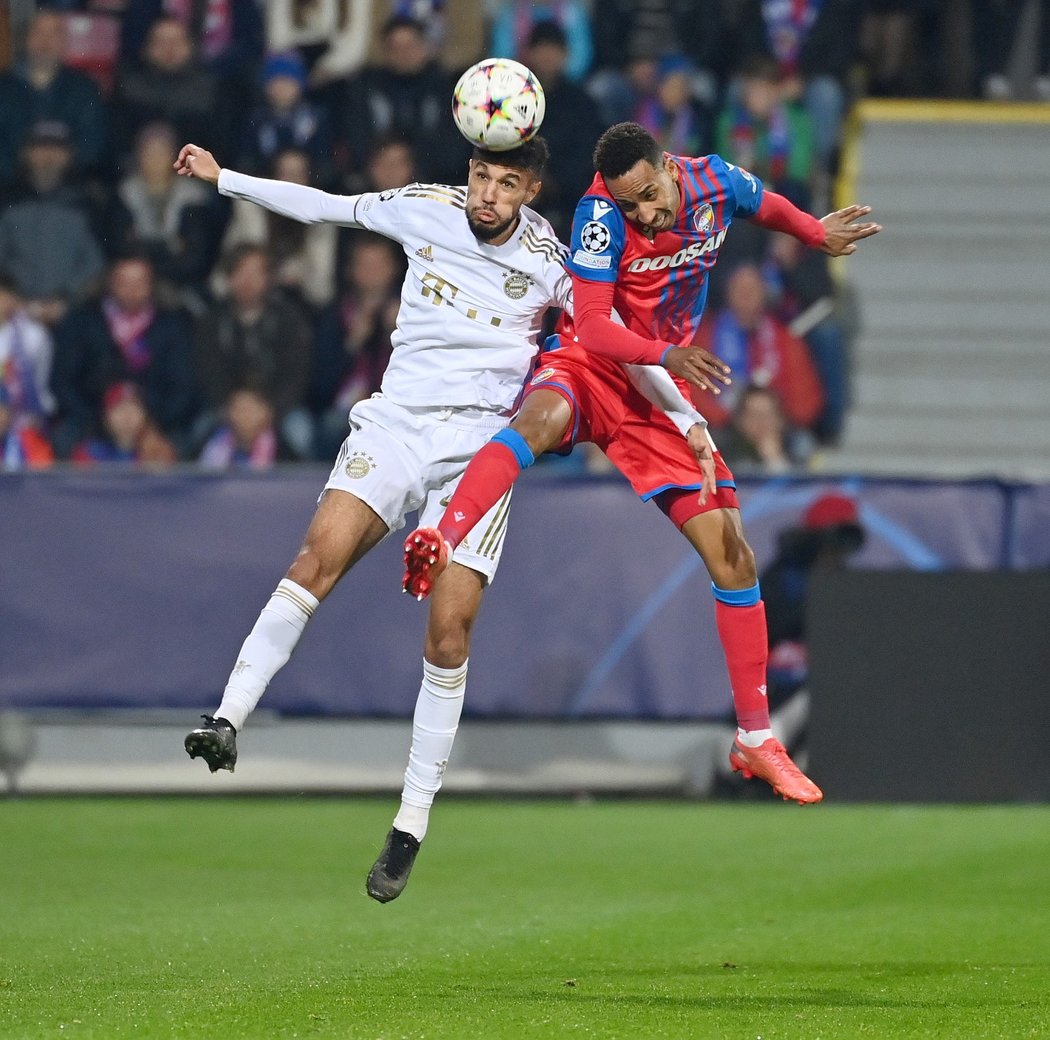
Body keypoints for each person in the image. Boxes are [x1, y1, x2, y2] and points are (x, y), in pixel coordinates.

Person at [404, 121, 880, 814]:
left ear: (670, 168)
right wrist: (665, 356)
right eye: (632, 205)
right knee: (533, 422)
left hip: (661, 391)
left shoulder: (715, 178)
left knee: (734, 557)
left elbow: (765, 202)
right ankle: (441, 538)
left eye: (651, 196)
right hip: (599, 368)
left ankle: (754, 736)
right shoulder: (600, 215)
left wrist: (812, 231)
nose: (645, 214)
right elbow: (594, 326)